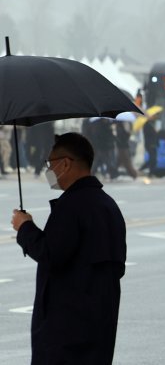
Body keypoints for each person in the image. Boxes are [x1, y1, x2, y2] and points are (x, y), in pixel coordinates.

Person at [11, 132, 127, 364]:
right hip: (99, 322)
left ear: (65, 163)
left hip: (66, 328)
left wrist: (25, 228)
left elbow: (51, 254)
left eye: (50, 163)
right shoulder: (107, 205)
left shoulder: (72, 206)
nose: (49, 170)